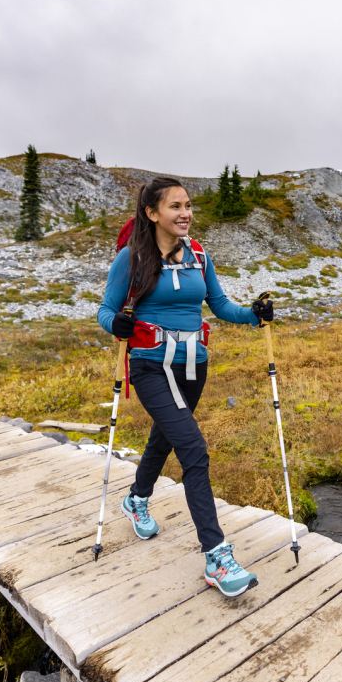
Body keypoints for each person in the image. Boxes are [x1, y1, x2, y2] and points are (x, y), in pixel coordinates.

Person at [97, 176, 274, 597]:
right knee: (192, 448)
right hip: (149, 367)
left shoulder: (199, 256)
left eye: (189, 205)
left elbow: (221, 305)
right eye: (176, 206)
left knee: (165, 437)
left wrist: (254, 314)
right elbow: (106, 310)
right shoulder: (130, 259)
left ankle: (137, 498)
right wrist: (115, 323)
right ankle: (216, 556)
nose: (186, 213)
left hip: (194, 366)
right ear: (152, 213)